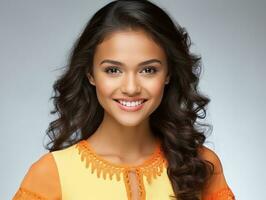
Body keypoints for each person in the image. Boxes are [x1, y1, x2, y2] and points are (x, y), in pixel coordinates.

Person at [12, 0, 235, 199]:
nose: (131, 88)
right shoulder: (51, 173)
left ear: (168, 74)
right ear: (90, 74)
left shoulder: (201, 165)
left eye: (148, 70)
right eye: (113, 70)